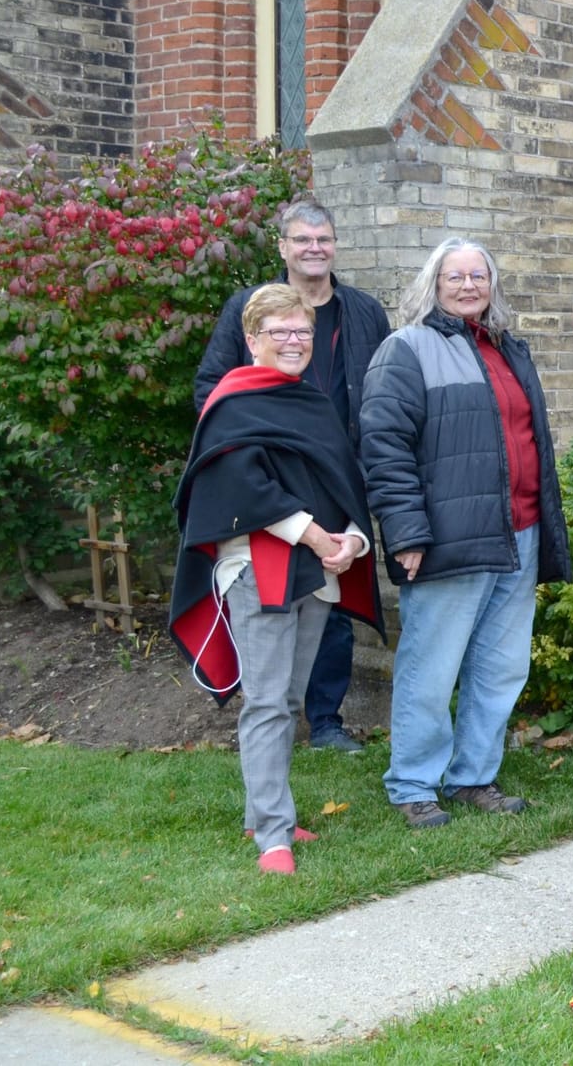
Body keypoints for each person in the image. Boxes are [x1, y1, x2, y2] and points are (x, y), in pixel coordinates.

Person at [361, 238, 571, 830]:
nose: (468, 285)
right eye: (455, 276)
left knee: (501, 667)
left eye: (479, 275)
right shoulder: (406, 349)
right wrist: (405, 533)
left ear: (493, 285)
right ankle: (413, 785)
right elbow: (384, 449)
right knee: (431, 667)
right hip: (448, 539)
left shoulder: (509, 349)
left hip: (518, 533)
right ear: (433, 283)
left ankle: (474, 776)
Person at [169, 284, 377, 875]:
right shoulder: (233, 403)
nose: (293, 341)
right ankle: (273, 836)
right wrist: (315, 536)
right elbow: (243, 490)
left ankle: (264, 814)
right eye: (280, 332)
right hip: (259, 570)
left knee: (289, 699)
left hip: (315, 574)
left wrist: (353, 540)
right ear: (252, 339)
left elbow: (344, 483)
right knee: (265, 702)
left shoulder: (310, 402)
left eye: (303, 331)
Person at [194, 198, 390, 754]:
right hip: (274, 481)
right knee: (284, 595)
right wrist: (249, 441)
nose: (314, 248)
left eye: (323, 239)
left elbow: (380, 389)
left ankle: (325, 719)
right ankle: (275, 717)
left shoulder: (363, 312)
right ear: (282, 247)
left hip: (339, 474)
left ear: (334, 245)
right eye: (302, 240)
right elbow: (213, 387)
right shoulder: (250, 309)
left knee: (334, 598)